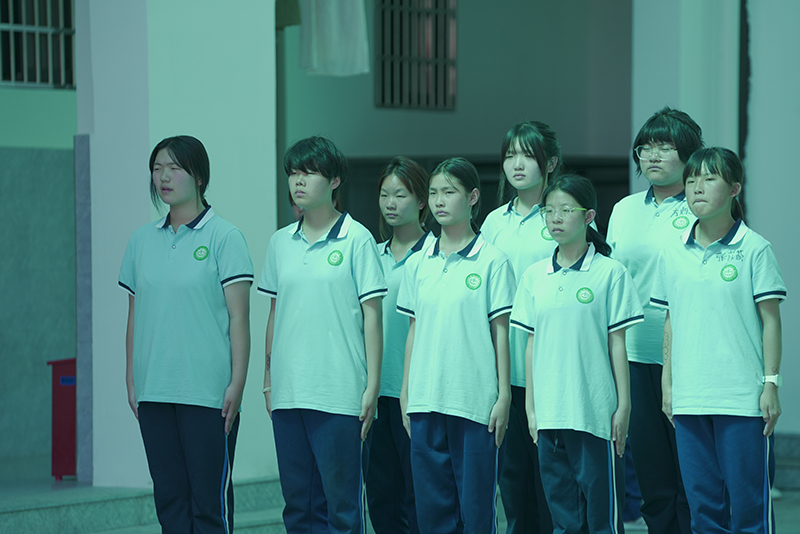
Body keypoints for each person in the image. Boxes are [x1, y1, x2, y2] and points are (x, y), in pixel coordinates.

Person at [119, 135, 253, 533]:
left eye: (174, 168)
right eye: (157, 168)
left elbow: (239, 318)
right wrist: (132, 379)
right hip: (154, 390)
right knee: (170, 500)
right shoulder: (141, 241)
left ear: (198, 177)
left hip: (207, 393)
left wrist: (238, 383)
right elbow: (134, 315)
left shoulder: (224, 237)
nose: (163, 177)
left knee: (209, 506)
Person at [652, 147, 785, 534]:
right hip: (690, 398)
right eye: (692, 179)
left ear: (734, 189)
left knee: (748, 511)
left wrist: (771, 385)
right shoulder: (672, 252)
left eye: (709, 179)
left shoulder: (755, 248)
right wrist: (668, 384)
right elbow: (671, 320)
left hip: (742, 400)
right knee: (703, 511)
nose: (697, 187)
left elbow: (771, 322)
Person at [258, 136, 387, 534]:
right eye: (293, 173)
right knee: (298, 507)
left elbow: (373, 317)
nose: (298, 181)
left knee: (342, 509)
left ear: (334, 181)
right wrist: (268, 379)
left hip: (339, 395)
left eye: (309, 173)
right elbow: (275, 313)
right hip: (289, 392)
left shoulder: (357, 239)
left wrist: (372, 386)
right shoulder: (280, 242)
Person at [510, 174, 643, 534]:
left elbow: (618, 344)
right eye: (549, 210)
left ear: (588, 217)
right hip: (550, 413)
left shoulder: (610, 273)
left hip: (594, 413)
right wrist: (531, 408)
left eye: (566, 210)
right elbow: (531, 345)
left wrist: (623, 406)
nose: (555, 218)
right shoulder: (534, 276)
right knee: (563, 520)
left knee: (602, 520)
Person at [398, 157, 515, 534]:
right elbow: (413, 330)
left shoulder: (493, 261)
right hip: (426, 400)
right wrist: (406, 392)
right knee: (432, 514)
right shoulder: (418, 263)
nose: (439, 201)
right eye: (433, 193)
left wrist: (503, 396)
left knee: (476, 513)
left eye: (449, 192)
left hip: (474, 403)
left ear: (473, 197)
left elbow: (501, 333)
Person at [606, 107, 701, 534]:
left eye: (665, 147)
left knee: (692, 473)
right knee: (651, 473)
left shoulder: (702, 206)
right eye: (645, 148)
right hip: (632, 353)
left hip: (687, 356)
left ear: (689, 154)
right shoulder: (625, 209)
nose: (652, 156)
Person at [481, 121, 561, 534]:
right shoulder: (493, 222)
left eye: (527, 155)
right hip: (504, 370)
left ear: (551, 163)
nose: (517, 164)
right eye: (510, 155)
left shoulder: (565, 216)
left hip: (552, 367)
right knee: (512, 484)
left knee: (553, 486)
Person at [368, 156, 436, 534]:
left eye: (400, 195)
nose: (390, 203)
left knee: (418, 495)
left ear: (422, 200)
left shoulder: (435, 255)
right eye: (384, 195)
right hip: (376, 393)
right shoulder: (370, 254)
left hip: (417, 394)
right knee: (381, 494)